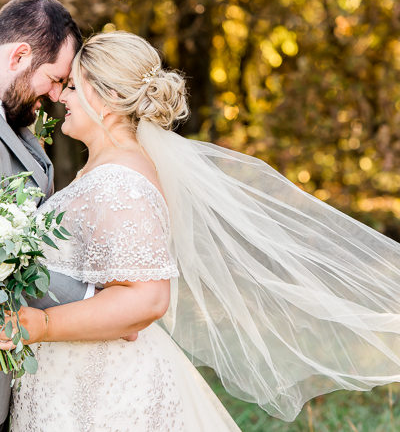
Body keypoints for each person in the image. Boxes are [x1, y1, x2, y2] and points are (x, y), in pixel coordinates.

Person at [5, 30, 400, 428]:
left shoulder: (121, 181)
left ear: (104, 100)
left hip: (102, 390)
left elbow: (147, 300)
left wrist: (43, 325)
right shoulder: (103, 170)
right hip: (70, 375)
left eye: (72, 87)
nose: (61, 98)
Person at [0, 0, 97, 432]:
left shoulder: (18, 127)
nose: (58, 96)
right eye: (55, 79)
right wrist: (101, 304)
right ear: (20, 56)